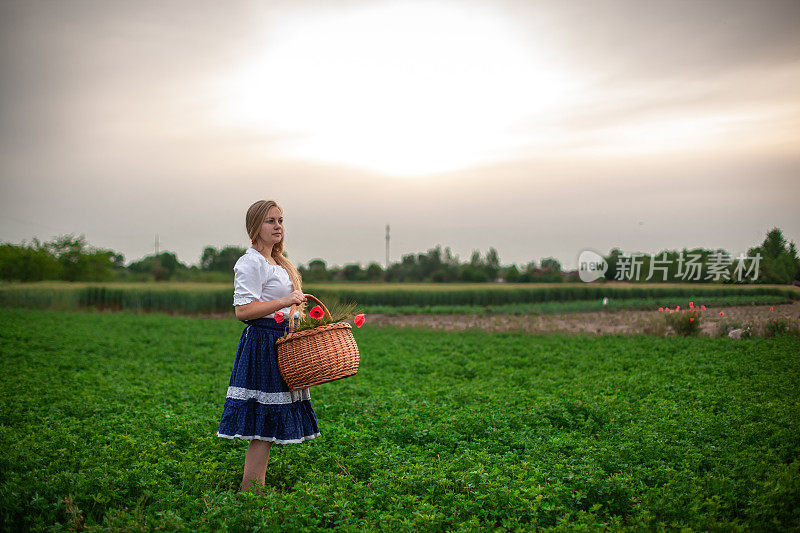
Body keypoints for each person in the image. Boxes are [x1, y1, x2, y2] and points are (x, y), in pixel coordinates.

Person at [216, 199, 321, 493]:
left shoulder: (279, 261)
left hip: (281, 343)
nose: (278, 226)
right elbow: (243, 311)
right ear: (255, 227)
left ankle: (254, 491)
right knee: (262, 427)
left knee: (269, 426)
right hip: (262, 345)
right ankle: (250, 495)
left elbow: (284, 308)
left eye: (280, 220)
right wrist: (286, 301)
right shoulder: (250, 262)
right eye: (270, 221)